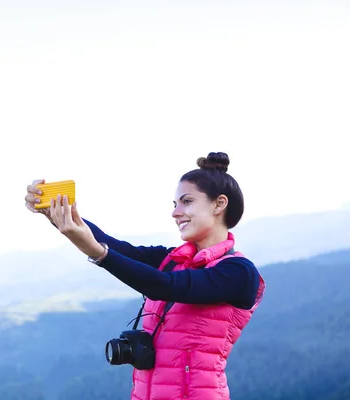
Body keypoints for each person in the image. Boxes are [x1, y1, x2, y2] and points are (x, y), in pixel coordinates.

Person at [24, 152, 265, 400]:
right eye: (175, 205)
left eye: (187, 201)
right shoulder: (172, 261)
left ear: (219, 204)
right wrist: (55, 213)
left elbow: (167, 287)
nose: (176, 213)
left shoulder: (239, 273)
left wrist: (99, 254)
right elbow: (113, 245)